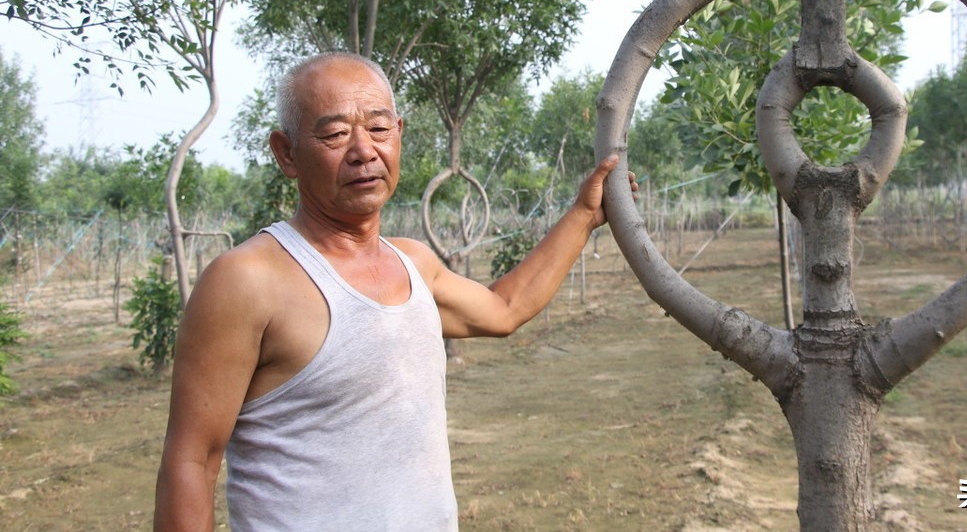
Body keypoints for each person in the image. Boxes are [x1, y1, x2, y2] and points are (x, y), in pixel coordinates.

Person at [153, 52, 631, 532]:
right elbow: (191, 462)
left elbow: (505, 309)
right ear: (286, 153)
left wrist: (583, 216)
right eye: (335, 134)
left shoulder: (414, 264)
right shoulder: (247, 281)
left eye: (379, 129)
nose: (363, 150)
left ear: (399, 134)